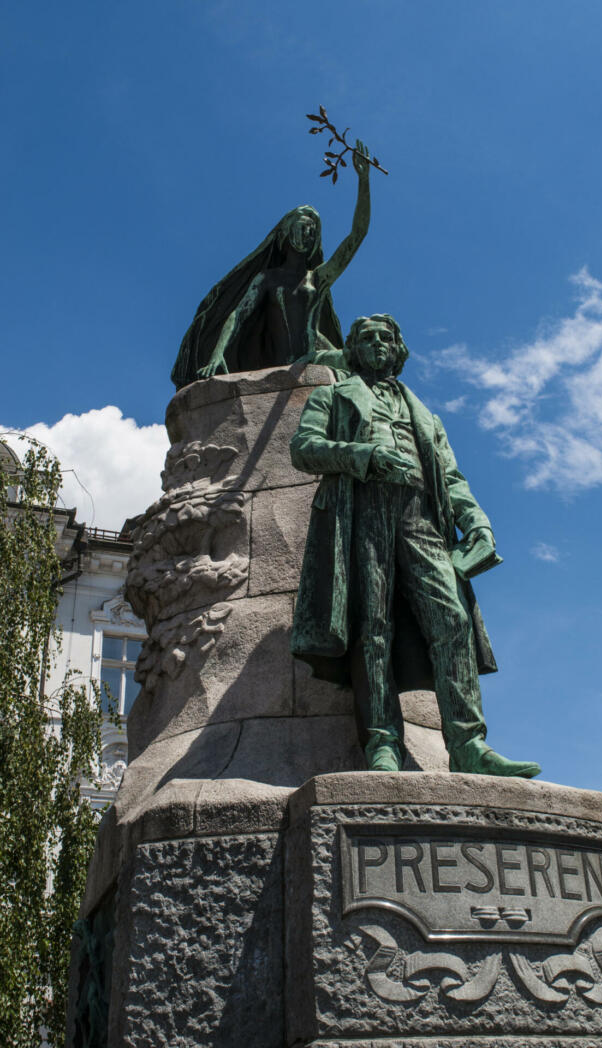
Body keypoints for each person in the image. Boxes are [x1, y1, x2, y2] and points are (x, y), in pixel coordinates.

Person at [289, 314, 541, 777]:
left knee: (452, 619)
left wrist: (478, 524)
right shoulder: (333, 395)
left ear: (399, 348)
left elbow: (450, 478)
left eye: (386, 337)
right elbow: (304, 448)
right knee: (373, 626)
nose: (378, 343)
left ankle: (468, 745)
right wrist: (364, 456)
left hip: (421, 518)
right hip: (363, 512)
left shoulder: (424, 413)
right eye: (367, 337)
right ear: (352, 349)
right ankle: (382, 742)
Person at [170, 142, 372, 390]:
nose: (306, 235)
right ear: (285, 233)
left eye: (312, 232)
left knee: (363, 357)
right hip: (282, 364)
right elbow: (238, 315)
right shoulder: (267, 279)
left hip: (314, 358)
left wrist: (364, 180)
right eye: (301, 228)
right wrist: (217, 355)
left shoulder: (318, 278)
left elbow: (357, 235)